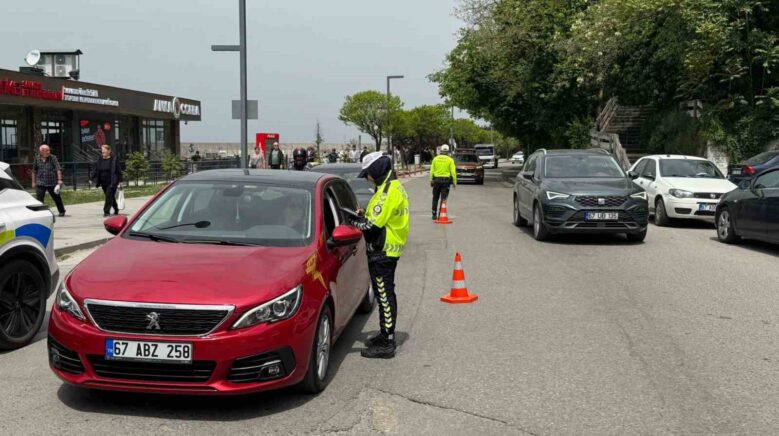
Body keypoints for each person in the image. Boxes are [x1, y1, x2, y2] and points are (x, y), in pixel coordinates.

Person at [350, 152, 409, 359]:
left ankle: (387, 343)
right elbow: (378, 216)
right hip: (390, 248)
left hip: (382, 251)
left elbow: (370, 227)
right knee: (387, 294)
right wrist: (363, 214)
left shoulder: (386, 192)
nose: (367, 178)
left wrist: (350, 221)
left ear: (375, 170)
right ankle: (385, 333)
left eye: (368, 173)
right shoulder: (393, 186)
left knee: (384, 296)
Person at [31, 144, 66, 217]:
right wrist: (33, 182)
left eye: (49, 150)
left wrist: (59, 180)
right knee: (39, 199)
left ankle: (61, 211)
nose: (48, 152)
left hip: (52, 182)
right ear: (41, 151)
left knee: (57, 198)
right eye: (47, 150)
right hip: (40, 182)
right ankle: (40, 213)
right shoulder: (37, 158)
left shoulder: (53, 158)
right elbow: (34, 171)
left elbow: (58, 169)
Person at [90, 144, 123, 217]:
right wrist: (92, 177)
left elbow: (119, 171)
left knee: (108, 196)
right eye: (102, 150)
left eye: (104, 150)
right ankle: (116, 208)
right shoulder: (99, 159)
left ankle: (106, 211)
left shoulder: (114, 159)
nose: (102, 151)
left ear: (109, 151)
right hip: (103, 182)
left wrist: (120, 181)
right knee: (110, 196)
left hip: (112, 181)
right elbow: (96, 169)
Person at [429, 144, 457, 220]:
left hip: (436, 180)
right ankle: (440, 214)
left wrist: (431, 180)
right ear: (448, 152)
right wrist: (454, 182)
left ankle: (434, 214)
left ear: (441, 151)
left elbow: (431, 171)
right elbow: (453, 172)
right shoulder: (450, 160)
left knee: (435, 198)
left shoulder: (435, 159)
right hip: (446, 181)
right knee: (443, 198)